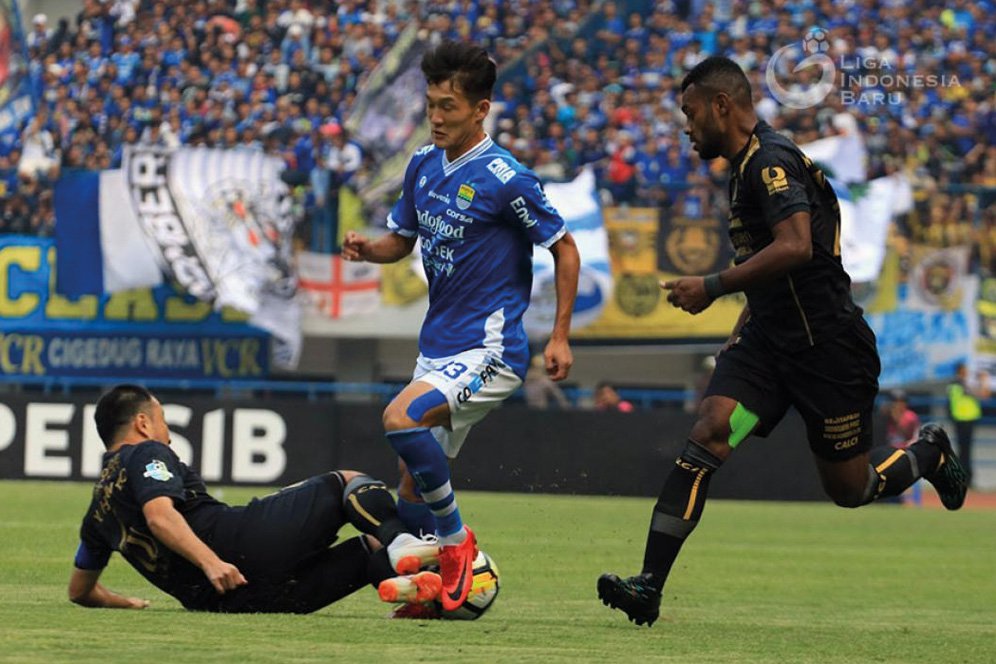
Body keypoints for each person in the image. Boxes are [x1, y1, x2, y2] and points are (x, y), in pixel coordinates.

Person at [597, 57, 969, 627]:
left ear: (722, 106)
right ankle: (649, 585)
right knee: (711, 433)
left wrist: (713, 285)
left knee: (851, 487)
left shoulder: (769, 163)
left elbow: (796, 247)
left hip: (830, 354)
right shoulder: (744, 166)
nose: (686, 126)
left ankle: (929, 453)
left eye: (691, 113)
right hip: (768, 350)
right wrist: (740, 329)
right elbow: (776, 271)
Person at [342, 40, 580, 612]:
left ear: (481, 109)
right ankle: (448, 595)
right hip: (440, 349)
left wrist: (561, 334)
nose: (437, 116)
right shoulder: (423, 164)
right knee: (409, 481)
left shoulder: (506, 178)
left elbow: (565, 250)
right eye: (431, 104)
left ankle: (457, 546)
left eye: (449, 105)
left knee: (400, 417)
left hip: (490, 350)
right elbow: (401, 241)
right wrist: (368, 249)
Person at [69, 384, 443, 614]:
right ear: (143, 424)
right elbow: (159, 515)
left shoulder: (96, 515)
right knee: (345, 482)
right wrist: (211, 562)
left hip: (230, 601)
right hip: (237, 550)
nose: (166, 434)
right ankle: (404, 544)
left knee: (367, 552)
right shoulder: (146, 452)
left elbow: (80, 591)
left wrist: (126, 602)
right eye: (162, 419)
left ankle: (421, 594)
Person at [947, 363, 989, 485]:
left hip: (961, 419)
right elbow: (983, 394)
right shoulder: (960, 384)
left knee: (963, 450)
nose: (967, 372)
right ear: (961, 371)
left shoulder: (955, 384)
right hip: (965, 420)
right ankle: (964, 478)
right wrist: (983, 381)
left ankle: (963, 477)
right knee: (965, 451)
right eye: (965, 370)